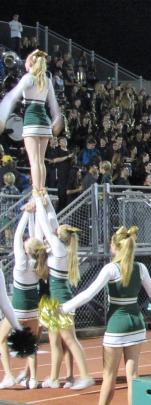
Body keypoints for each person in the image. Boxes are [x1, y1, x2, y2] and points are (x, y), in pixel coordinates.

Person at [59, 226, 151, 405]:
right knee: (133, 375)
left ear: (114, 246)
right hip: (136, 323)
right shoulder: (141, 268)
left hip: (117, 324)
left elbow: (88, 294)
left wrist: (64, 308)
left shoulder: (111, 268)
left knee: (109, 375)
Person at [35, 197, 95, 390]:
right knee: (54, 342)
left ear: (60, 236)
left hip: (61, 302)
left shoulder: (60, 248)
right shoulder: (63, 246)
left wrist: (37, 200)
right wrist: (47, 202)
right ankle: (53, 378)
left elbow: (46, 224)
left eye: (58, 231)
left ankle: (85, 375)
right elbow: (52, 222)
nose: (55, 230)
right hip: (54, 300)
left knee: (69, 339)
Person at [0, 50, 64, 204]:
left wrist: (2, 116)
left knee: (34, 161)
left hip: (31, 120)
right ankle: (42, 189)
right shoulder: (47, 80)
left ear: (30, 64)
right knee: (40, 161)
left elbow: (12, 96)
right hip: (44, 121)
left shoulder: (28, 78)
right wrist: (57, 120)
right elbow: (54, 105)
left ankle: (36, 191)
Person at [0, 207, 41, 390]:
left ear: (26, 249)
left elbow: (17, 236)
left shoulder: (22, 263)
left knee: (1, 340)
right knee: (31, 342)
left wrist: (26, 213)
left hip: (17, 307)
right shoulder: (39, 262)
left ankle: (8, 375)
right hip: (34, 308)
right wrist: (34, 214)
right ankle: (33, 379)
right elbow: (35, 239)